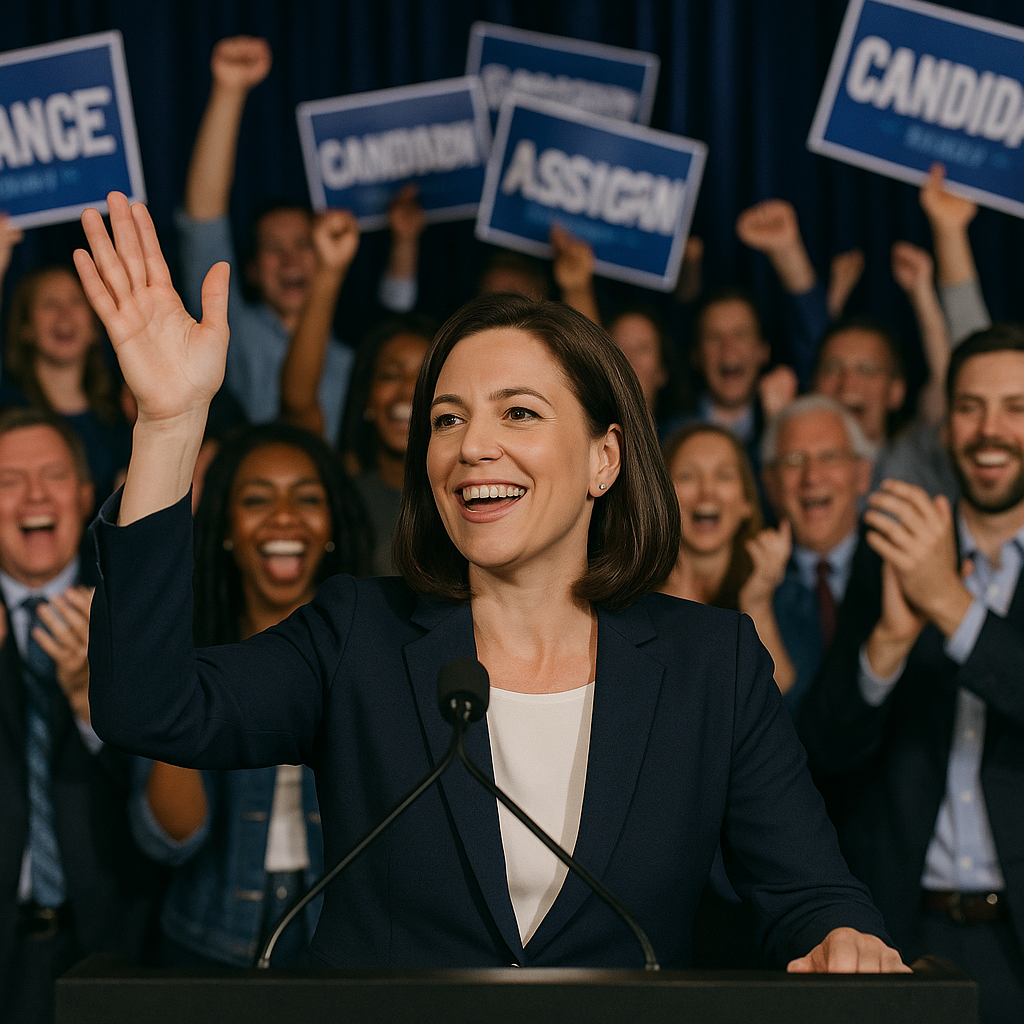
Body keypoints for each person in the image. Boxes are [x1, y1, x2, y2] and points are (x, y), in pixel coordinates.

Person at [75, 191, 905, 972]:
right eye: (446, 418)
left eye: (519, 412)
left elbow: (811, 894)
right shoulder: (358, 634)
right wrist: (171, 423)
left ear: (604, 458)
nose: (472, 446)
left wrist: (844, 938)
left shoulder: (711, 664)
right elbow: (149, 705)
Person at [799, 325, 1024, 1023]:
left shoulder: (925, 571)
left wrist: (949, 606)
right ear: (943, 422)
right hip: (900, 935)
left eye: (1017, 407)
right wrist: (890, 644)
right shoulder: (892, 546)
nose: (991, 430)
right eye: (969, 407)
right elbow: (822, 754)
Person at [130, 423, 371, 967]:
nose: (284, 516)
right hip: (204, 944)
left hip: (341, 949)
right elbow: (171, 839)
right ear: (226, 529)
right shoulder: (186, 652)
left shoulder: (377, 651)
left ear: (332, 523)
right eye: (257, 499)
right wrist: (176, 680)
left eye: (306, 497)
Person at [0, 407, 162, 1024]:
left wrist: (93, 708)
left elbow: (171, 808)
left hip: (111, 945)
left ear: (86, 494)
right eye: (9, 481)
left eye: (52, 475)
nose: (34, 495)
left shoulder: (138, 615)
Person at [660, 423, 793, 693]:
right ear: (660, 497)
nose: (707, 491)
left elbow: (784, 704)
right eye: (687, 476)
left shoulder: (789, 594)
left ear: (746, 503)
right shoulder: (632, 597)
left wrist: (757, 603)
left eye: (723, 476)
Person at [761, 396, 873, 717]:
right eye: (794, 460)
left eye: (830, 457)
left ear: (862, 475)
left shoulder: (901, 566)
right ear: (770, 483)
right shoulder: (748, 578)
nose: (812, 477)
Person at [1, 266, 131, 505]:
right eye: (49, 304)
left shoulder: (117, 418)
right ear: (26, 328)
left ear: (94, 327)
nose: (65, 315)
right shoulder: (7, 408)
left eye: (76, 302)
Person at [607, 306, 691, 438]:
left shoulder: (682, 437)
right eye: (618, 348)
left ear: (662, 371)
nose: (629, 360)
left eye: (642, 348)